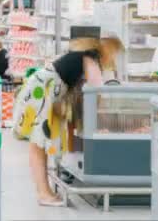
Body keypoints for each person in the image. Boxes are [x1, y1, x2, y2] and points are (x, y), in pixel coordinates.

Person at [13, 37, 124, 206]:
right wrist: (105, 120)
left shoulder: (82, 55)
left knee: (38, 144)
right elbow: (97, 90)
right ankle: (44, 193)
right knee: (38, 144)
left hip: (41, 87)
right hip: (43, 90)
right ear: (109, 51)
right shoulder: (90, 58)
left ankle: (44, 191)